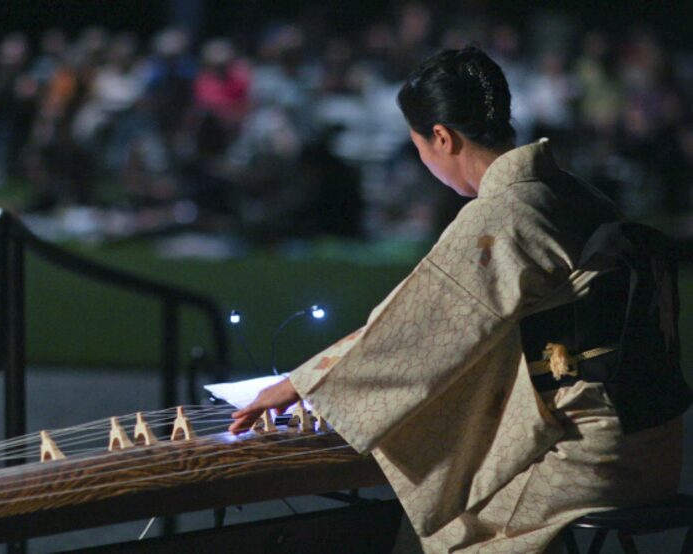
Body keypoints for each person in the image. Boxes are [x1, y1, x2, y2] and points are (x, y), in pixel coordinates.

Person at [229, 46, 689, 553]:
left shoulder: (504, 215)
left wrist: (304, 384)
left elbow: (416, 332)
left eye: (420, 147)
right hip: (657, 442)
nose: (425, 159)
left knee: (445, 529)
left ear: (442, 138)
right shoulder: (572, 192)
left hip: (591, 457)